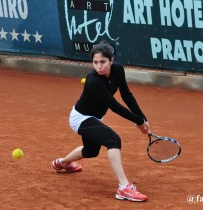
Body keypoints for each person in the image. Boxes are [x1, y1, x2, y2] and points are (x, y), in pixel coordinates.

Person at [52, 41, 151, 202]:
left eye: (103, 62)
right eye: (95, 62)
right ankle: (124, 187)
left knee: (91, 151)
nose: (99, 66)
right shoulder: (93, 80)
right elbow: (114, 106)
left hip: (95, 118)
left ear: (111, 61)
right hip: (81, 118)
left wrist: (143, 118)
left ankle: (62, 162)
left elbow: (126, 95)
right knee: (113, 140)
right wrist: (138, 121)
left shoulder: (118, 70)